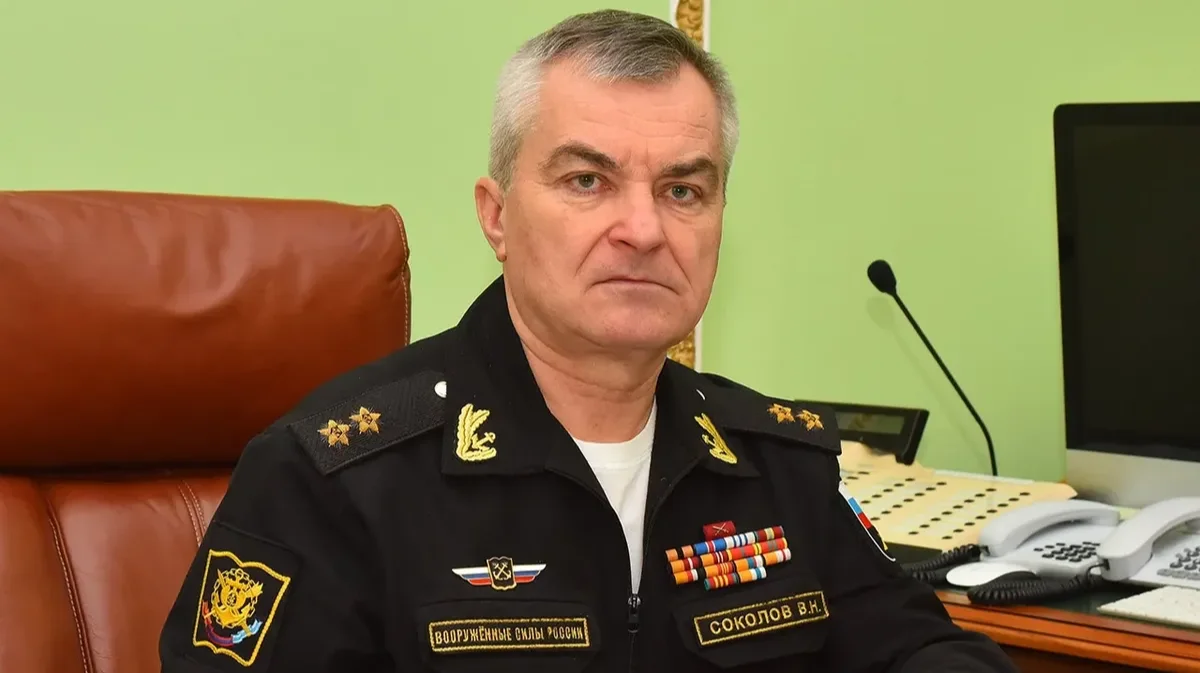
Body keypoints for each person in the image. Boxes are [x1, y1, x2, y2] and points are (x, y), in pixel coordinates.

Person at [159, 9, 1018, 672]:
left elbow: (921, 648)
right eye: (587, 180)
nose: (642, 229)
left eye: (683, 191)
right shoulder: (334, 478)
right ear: (497, 217)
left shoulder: (777, 466)